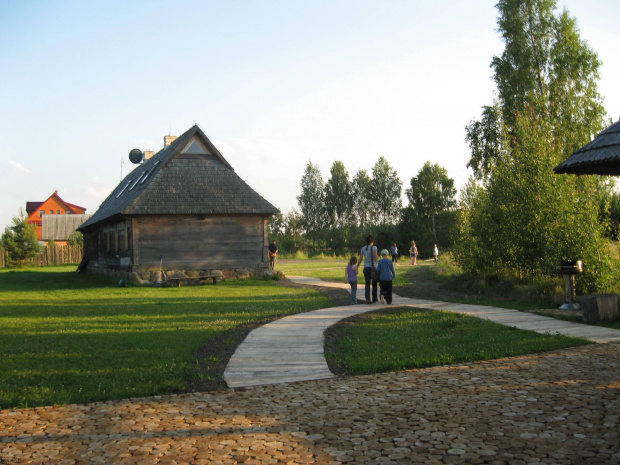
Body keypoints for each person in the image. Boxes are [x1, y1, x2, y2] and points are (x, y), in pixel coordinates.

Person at [356, 234, 378, 304]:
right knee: (374, 284)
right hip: (373, 267)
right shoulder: (374, 248)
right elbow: (375, 257)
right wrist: (379, 265)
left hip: (366, 268)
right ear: (373, 241)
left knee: (367, 283)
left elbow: (360, 259)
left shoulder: (363, 248)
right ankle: (374, 298)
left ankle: (367, 298)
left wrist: (357, 267)